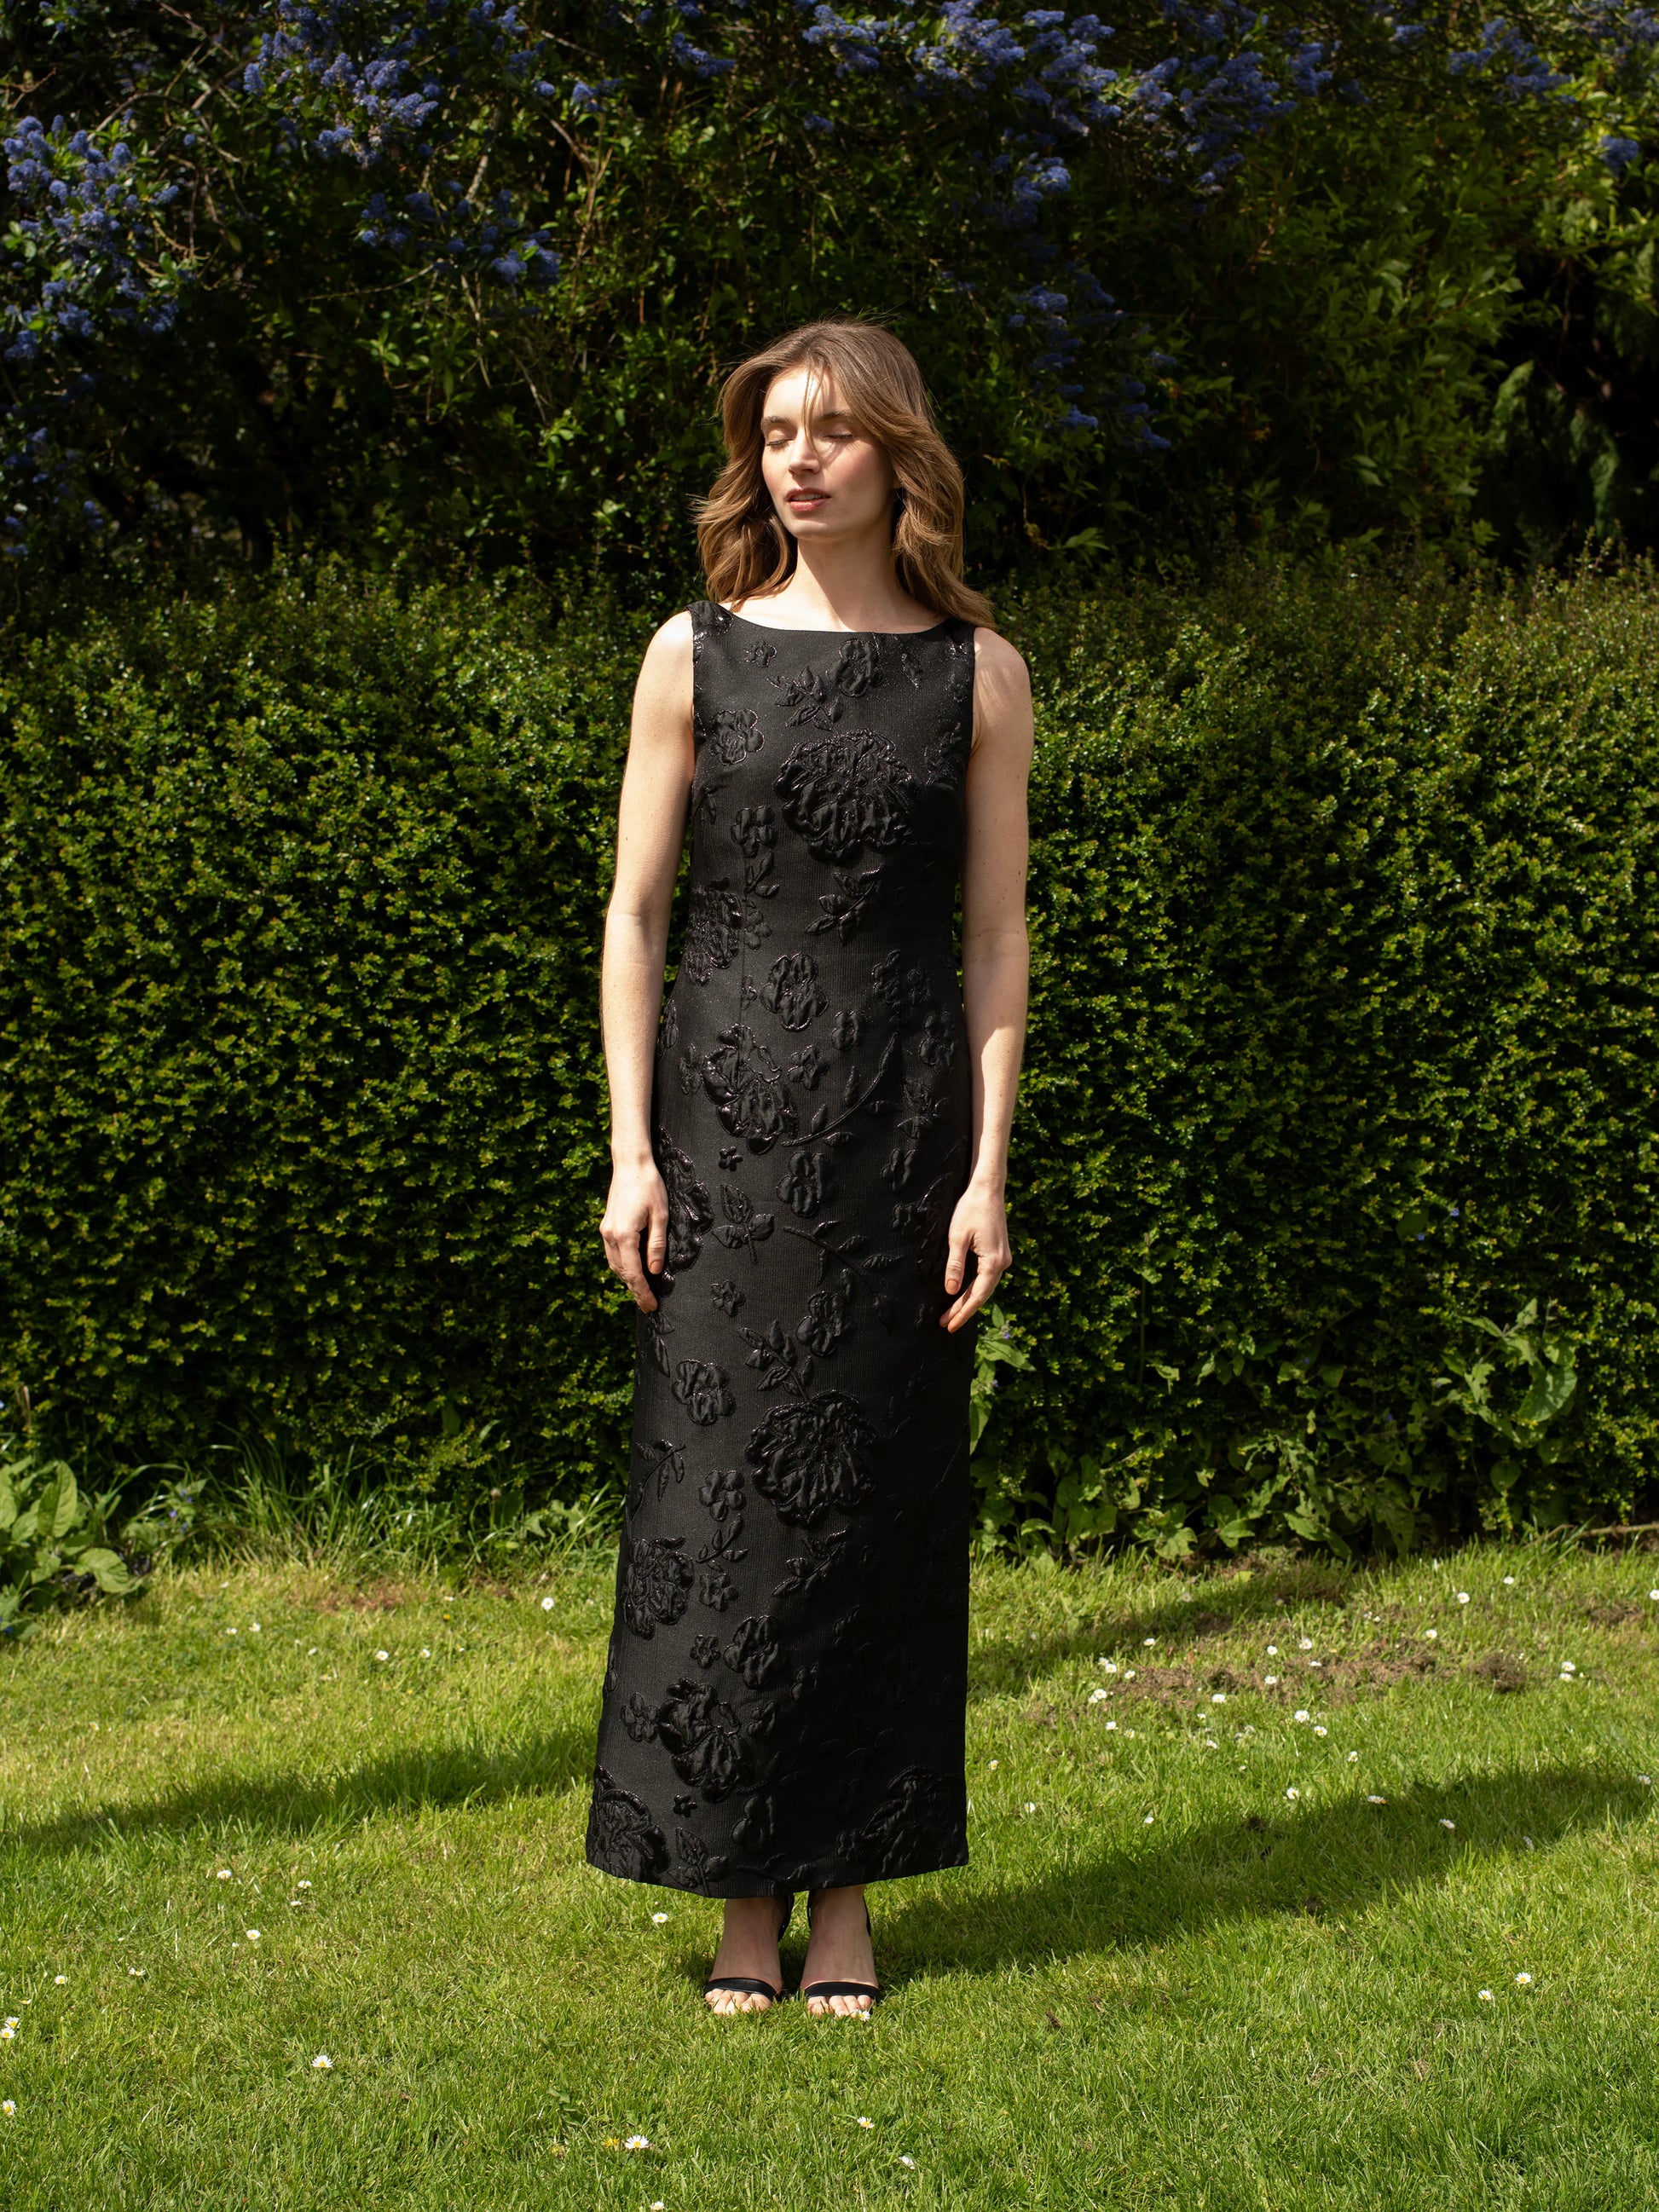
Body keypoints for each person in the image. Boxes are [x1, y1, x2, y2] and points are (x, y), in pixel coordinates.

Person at [585, 316, 1032, 2016]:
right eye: (776, 431)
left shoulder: (978, 675)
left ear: (896, 454)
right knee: (718, 1508)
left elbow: (994, 941)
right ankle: (738, 1897)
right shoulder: (688, 653)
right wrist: (630, 1151)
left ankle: (844, 1893)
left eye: (832, 431)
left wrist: (986, 1174)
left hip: (898, 1137)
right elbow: (636, 917)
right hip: (717, 1137)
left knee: (873, 1515)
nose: (798, 457)